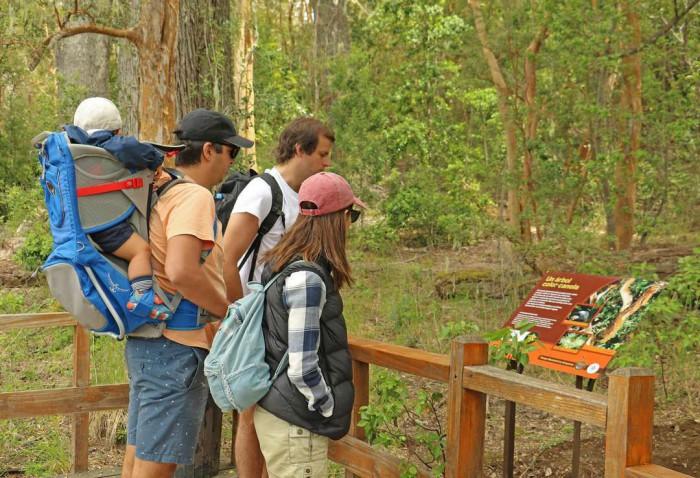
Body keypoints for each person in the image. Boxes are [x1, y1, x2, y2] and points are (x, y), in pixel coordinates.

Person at [121, 108, 253, 478]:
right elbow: (180, 270)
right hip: (177, 344)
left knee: (139, 452)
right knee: (157, 463)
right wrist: (225, 311)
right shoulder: (194, 197)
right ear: (209, 150)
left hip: (148, 339)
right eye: (232, 152)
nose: (232, 162)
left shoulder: (160, 188)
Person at [221, 117, 335, 477]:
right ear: (299, 149)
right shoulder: (262, 192)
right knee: (251, 411)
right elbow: (226, 255)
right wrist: (240, 315)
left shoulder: (300, 195)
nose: (326, 162)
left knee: (269, 410)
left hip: (285, 323)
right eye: (322, 154)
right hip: (257, 320)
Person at [255, 172, 365, 477]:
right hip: (297, 424)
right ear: (339, 218)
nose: (350, 224)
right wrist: (326, 405)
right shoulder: (308, 279)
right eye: (351, 215)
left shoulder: (284, 261)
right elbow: (302, 366)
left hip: (280, 412)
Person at [66, 97, 170, 320]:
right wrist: (157, 161)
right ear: (118, 130)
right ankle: (141, 296)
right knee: (140, 251)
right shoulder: (112, 145)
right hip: (107, 226)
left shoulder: (69, 149)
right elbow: (138, 151)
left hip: (80, 222)